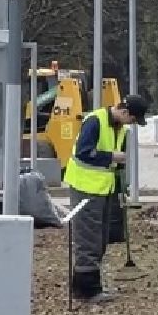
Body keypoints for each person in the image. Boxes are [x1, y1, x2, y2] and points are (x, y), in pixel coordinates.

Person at [63, 93, 148, 301]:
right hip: (85, 188)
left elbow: (114, 164)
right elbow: (84, 152)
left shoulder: (120, 128)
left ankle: (86, 285)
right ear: (125, 112)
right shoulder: (95, 121)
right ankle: (87, 290)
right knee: (88, 240)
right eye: (133, 119)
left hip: (103, 189)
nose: (133, 124)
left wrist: (121, 187)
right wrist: (111, 156)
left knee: (99, 239)